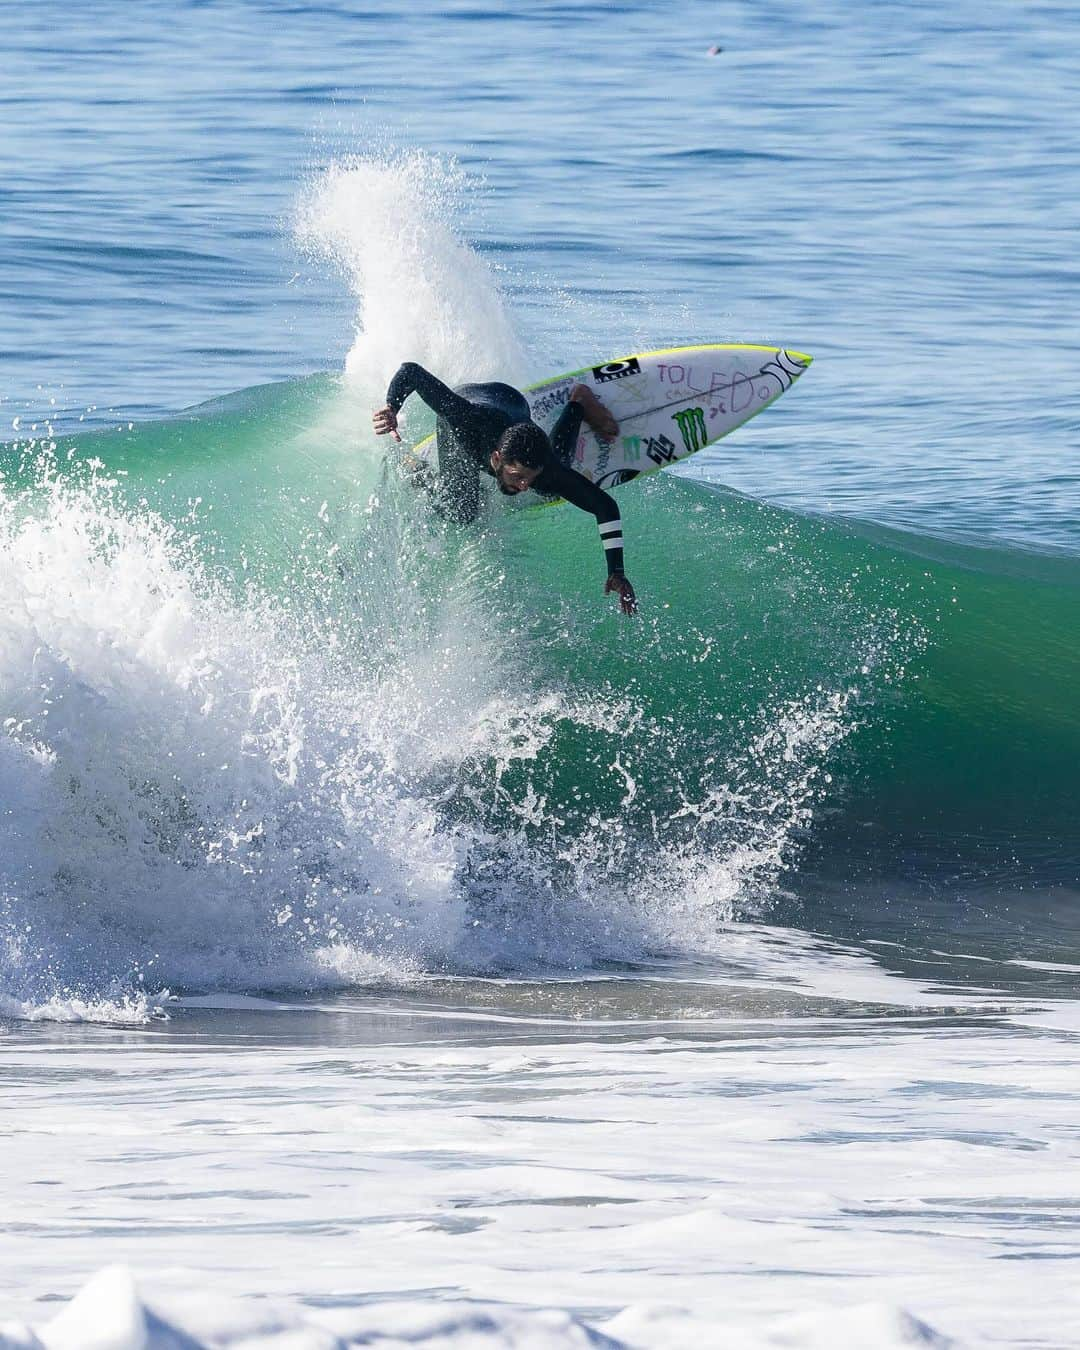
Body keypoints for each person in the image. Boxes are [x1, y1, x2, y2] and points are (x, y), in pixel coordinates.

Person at [372, 362, 637, 615]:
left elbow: (605, 506)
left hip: (513, 401)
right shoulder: (464, 420)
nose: (524, 486)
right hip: (469, 409)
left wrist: (617, 571)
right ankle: (416, 469)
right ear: (497, 459)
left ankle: (579, 402)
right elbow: (411, 371)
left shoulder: (543, 472)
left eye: (528, 478)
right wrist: (391, 408)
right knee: (462, 513)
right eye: (517, 476)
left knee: (552, 483)